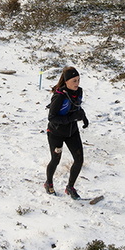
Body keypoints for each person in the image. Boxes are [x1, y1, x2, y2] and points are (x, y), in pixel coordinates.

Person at [44, 66, 88, 199]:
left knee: (79, 160)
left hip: (72, 132)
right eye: (74, 81)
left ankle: (70, 187)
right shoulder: (59, 96)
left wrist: (84, 118)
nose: (77, 83)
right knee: (56, 160)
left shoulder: (79, 92)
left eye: (78, 80)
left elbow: (78, 107)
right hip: (56, 133)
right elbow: (52, 118)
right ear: (67, 81)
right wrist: (71, 118)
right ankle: (49, 183)